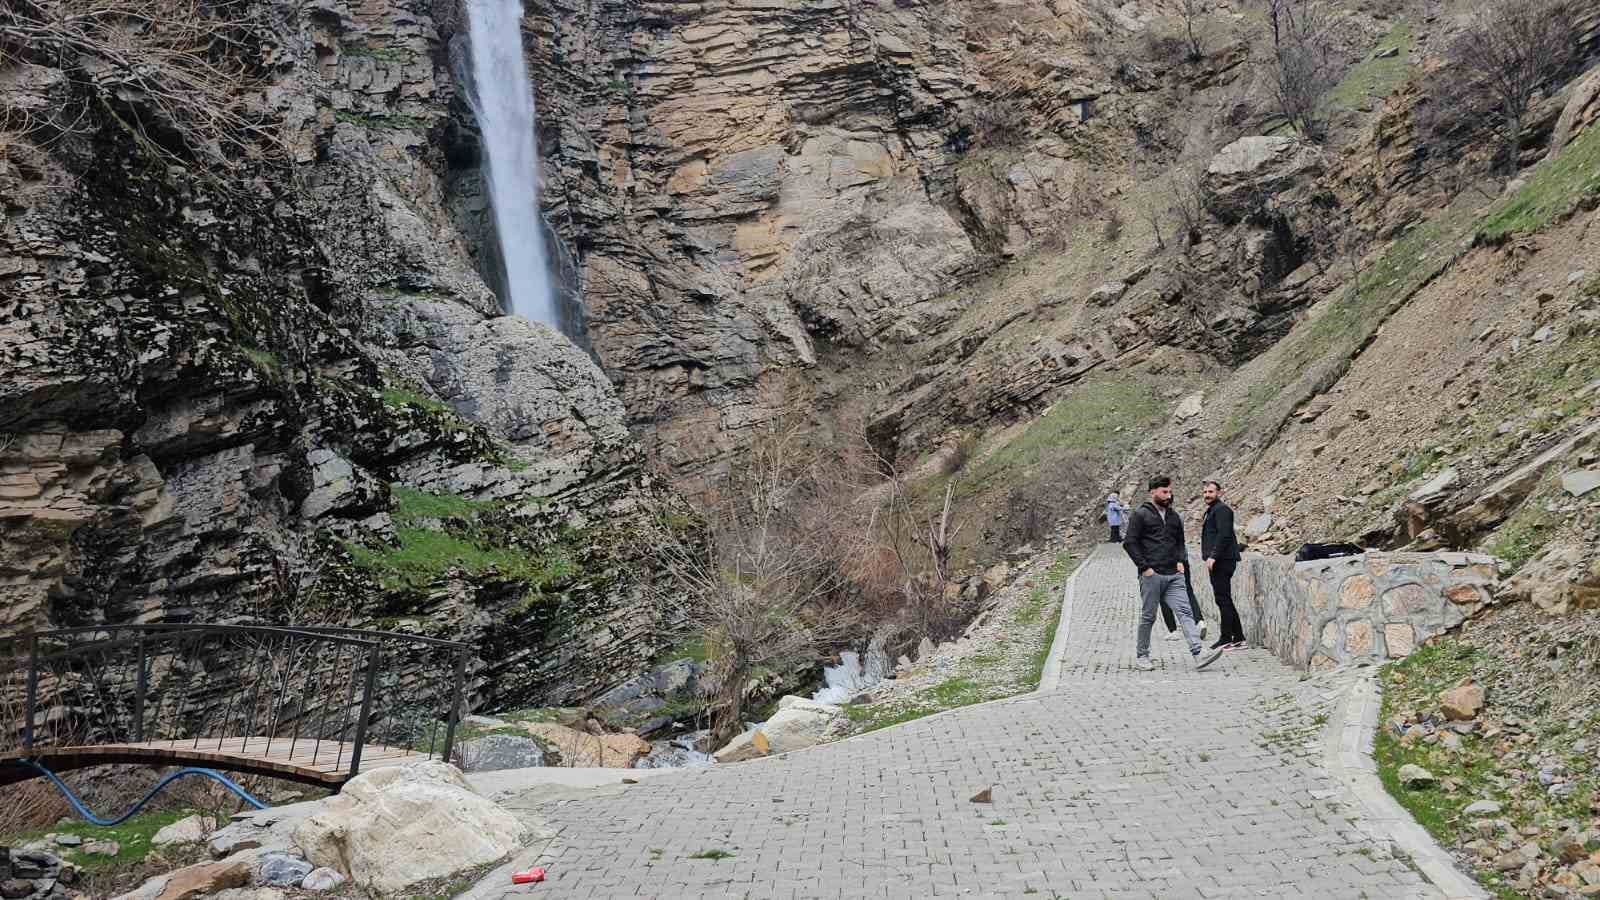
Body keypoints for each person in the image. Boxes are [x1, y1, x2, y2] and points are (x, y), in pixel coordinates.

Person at [1123, 476, 1224, 672]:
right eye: (1164, 492)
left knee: (1185, 613)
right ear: (1152, 491)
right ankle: (1142, 655)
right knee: (1148, 616)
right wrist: (1145, 568)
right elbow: (1129, 543)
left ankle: (1199, 653)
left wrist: (1179, 561)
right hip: (1151, 575)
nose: (1168, 496)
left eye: (1169, 492)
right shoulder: (1140, 515)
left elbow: (1179, 541)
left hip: (1174, 575)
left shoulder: (1173, 516)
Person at [1201, 479, 1245, 650]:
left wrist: (1213, 556)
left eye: (1210, 492)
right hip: (1219, 560)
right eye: (1205, 492)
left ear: (1218, 492)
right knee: (1224, 599)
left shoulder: (1222, 510)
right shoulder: (1212, 510)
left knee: (1222, 599)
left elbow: (1224, 535)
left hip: (1222, 560)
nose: (1207, 495)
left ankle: (1226, 638)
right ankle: (1239, 638)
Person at [1161, 546, 1208, 641]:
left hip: (1164, 561)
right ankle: (1199, 621)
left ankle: (1173, 630)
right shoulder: (1177, 530)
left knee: (1163, 594)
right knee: (1188, 591)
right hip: (1182, 559)